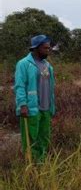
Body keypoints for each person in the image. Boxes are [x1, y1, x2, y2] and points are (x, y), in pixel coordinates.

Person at [14, 35, 56, 164]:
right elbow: (19, 86)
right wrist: (22, 104)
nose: (48, 50)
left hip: (46, 107)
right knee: (31, 138)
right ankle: (31, 165)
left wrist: (52, 107)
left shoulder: (47, 65)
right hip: (31, 108)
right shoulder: (24, 64)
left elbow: (50, 87)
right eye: (45, 48)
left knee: (44, 137)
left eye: (49, 48)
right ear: (36, 48)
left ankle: (41, 162)